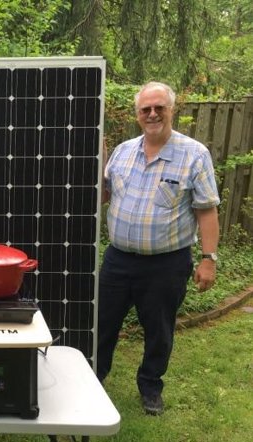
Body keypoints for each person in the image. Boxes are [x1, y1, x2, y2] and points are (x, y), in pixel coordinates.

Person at [97, 81, 220, 415]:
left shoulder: (194, 154)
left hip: (166, 264)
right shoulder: (122, 152)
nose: (152, 114)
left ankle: (150, 386)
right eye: (145, 109)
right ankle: (93, 380)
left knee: (160, 330)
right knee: (102, 324)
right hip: (118, 260)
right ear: (138, 114)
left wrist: (209, 258)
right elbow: (105, 196)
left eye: (158, 108)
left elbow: (206, 209)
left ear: (171, 110)